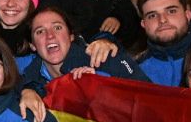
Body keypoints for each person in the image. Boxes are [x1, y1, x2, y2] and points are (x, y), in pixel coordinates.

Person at [19, 5, 147, 88]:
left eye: (57, 27)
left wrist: (102, 83)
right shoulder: (28, 77)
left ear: (71, 36)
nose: (50, 36)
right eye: (40, 31)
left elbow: (148, 98)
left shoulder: (104, 60)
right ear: (32, 45)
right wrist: (26, 92)